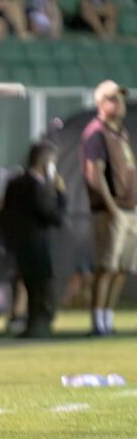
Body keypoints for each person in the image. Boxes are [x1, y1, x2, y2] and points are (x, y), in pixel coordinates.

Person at [81, 80, 136, 336]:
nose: (120, 103)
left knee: (123, 268)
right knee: (106, 267)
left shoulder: (121, 133)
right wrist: (111, 207)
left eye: (121, 98)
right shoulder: (96, 133)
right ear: (101, 103)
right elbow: (95, 173)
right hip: (111, 211)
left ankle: (108, 317)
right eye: (113, 98)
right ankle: (97, 320)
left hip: (130, 209)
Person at [1, 141, 66, 338]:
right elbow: (53, 215)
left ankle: (31, 325)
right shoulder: (39, 187)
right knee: (42, 286)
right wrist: (60, 194)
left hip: (19, 245)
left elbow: (5, 215)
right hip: (38, 244)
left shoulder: (14, 183)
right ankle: (40, 325)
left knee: (29, 285)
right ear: (45, 162)